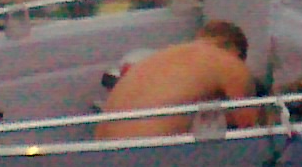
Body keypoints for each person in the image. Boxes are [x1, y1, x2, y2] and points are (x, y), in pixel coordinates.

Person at [94, 21, 256, 140]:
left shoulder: (167, 56)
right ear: (237, 52)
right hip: (145, 153)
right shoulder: (229, 62)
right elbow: (250, 129)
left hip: (103, 152)